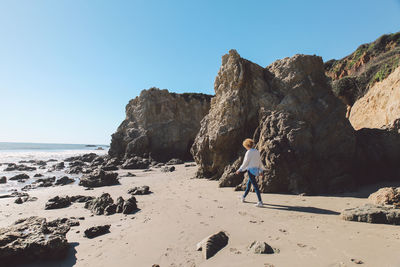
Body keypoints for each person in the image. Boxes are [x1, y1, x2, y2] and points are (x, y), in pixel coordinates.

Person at [235, 138, 266, 207]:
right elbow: (259, 162)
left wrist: (239, 169)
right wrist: (261, 170)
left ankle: (260, 201)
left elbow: (245, 163)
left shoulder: (248, 152)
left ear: (246, 145)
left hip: (250, 171)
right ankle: (243, 196)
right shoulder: (256, 151)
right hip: (256, 170)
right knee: (249, 184)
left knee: (255, 186)